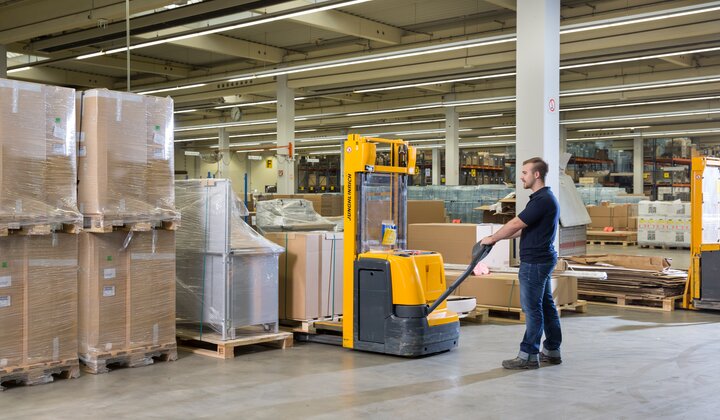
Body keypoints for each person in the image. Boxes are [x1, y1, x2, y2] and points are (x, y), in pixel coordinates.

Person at [480, 157, 561, 370]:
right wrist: (498, 239)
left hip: (534, 262)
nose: (521, 177)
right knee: (546, 306)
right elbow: (522, 229)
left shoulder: (542, 199)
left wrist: (492, 238)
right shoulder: (543, 199)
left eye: (525, 172)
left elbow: (516, 223)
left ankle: (528, 355)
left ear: (536, 174)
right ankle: (552, 350)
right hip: (542, 259)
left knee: (532, 309)